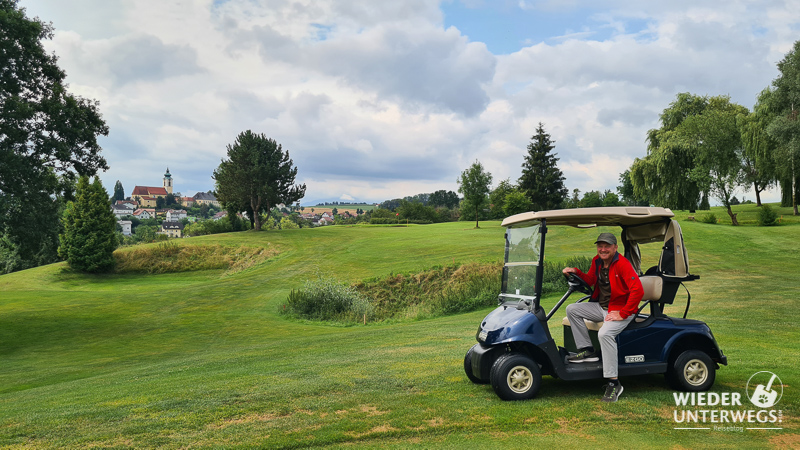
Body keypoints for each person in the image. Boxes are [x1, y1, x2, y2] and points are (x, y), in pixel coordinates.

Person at [562, 232, 643, 403]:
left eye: (607, 246)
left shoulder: (622, 264)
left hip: (621, 309)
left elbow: (638, 290)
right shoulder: (597, 261)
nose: (603, 249)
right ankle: (587, 350)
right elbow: (591, 280)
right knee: (572, 309)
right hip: (602, 307)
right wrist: (575, 272)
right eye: (600, 246)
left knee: (605, 334)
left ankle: (614, 383)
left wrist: (623, 313)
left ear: (615, 247)